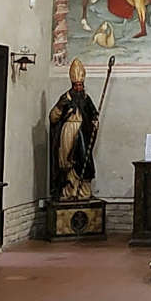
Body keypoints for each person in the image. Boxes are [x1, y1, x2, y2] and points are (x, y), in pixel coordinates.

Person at [47, 60, 101, 204]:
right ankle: (68, 190)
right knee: (67, 161)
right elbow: (53, 117)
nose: (79, 88)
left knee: (83, 159)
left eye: (80, 85)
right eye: (76, 85)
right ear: (72, 85)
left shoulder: (85, 98)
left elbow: (93, 114)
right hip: (68, 131)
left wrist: (95, 121)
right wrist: (60, 107)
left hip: (83, 132)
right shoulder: (65, 98)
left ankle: (82, 191)